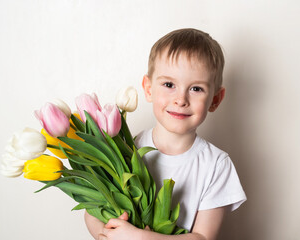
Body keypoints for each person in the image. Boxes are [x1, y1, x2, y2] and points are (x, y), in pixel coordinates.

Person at [84, 28, 247, 240]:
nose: (181, 99)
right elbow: (92, 211)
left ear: (215, 99)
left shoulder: (216, 165)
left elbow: (203, 238)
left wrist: (140, 238)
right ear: (149, 89)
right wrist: (105, 234)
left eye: (196, 89)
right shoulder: (125, 149)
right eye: (169, 84)